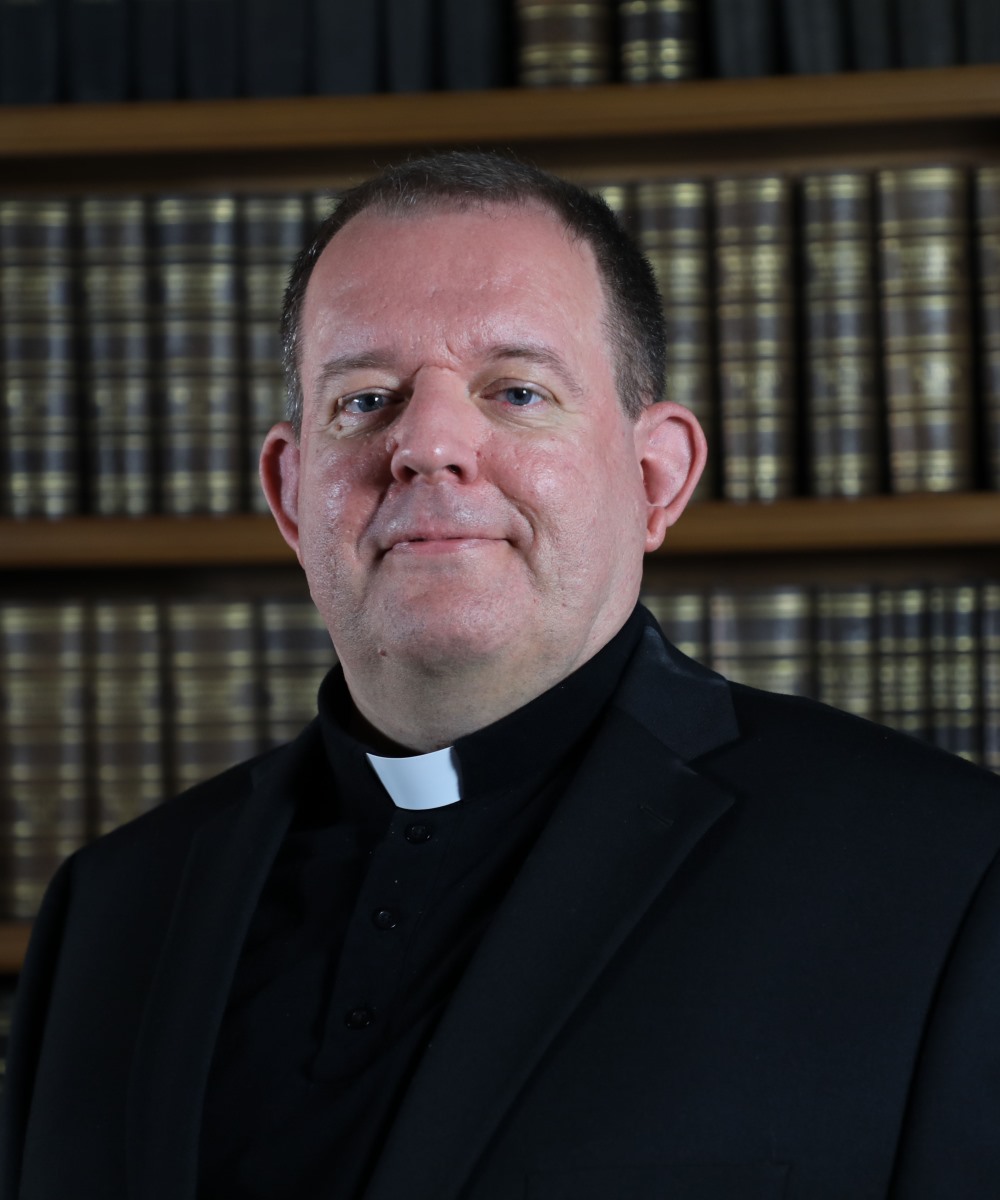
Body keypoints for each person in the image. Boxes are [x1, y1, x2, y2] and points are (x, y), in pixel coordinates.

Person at [3, 151, 1000, 1200]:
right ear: (291, 499)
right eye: (366, 399)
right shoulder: (111, 912)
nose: (427, 445)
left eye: (517, 392)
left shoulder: (948, 877)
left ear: (656, 479)